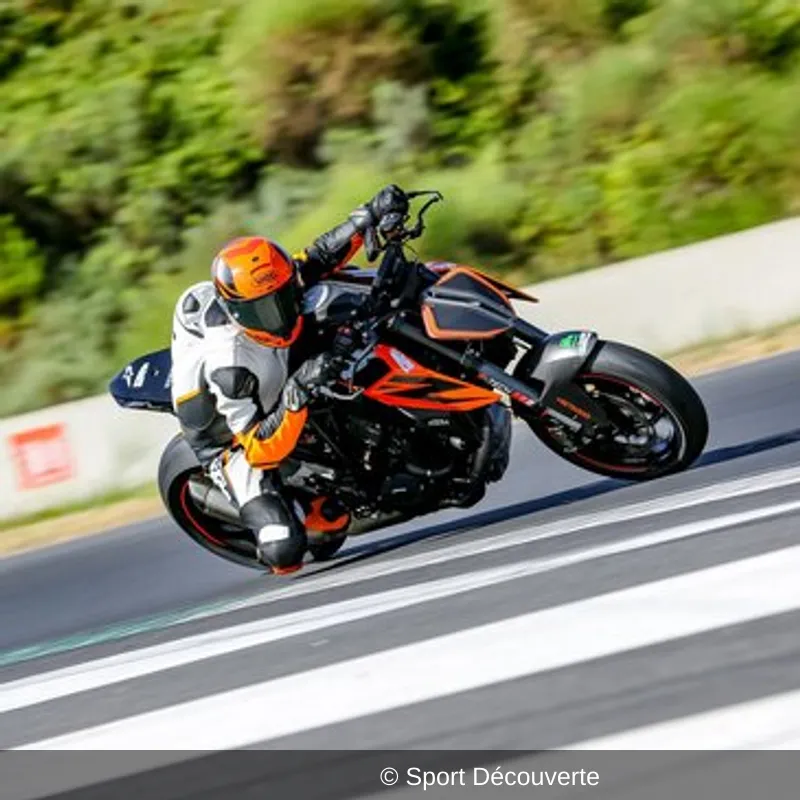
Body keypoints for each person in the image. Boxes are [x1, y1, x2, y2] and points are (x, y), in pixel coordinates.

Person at [169, 185, 410, 575]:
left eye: (282, 297)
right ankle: (291, 507)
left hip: (277, 373)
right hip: (236, 440)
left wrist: (368, 215)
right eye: (264, 309)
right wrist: (298, 392)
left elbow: (316, 257)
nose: (279, 314)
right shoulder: (229, 366)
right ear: (237, 312)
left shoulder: (277, 288)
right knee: (286, 554)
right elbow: (261, 447)